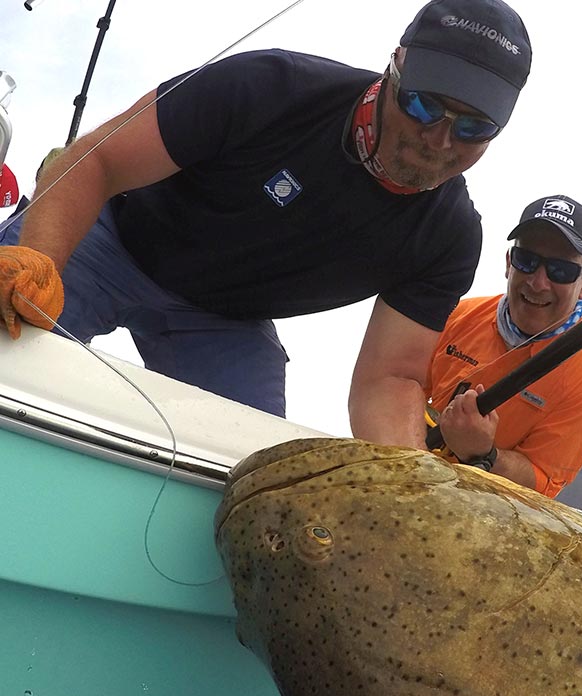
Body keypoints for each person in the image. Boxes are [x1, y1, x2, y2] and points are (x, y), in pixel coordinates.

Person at [0, 0, 531, 444]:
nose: (439, 140)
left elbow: (388, 380)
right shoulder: (273, 87)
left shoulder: (450, 238)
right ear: (394, 68)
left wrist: (409, 482)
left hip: (226, 322)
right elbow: (94, 161)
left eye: (473, 126)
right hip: (110, 242)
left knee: (245, 459)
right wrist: (40, 259)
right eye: (422, 106)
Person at [424, 194, 582, 498]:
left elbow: (543, 482)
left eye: (561, 271)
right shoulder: (460, 315)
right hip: (412, 475)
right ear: (509, 263)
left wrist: (482, 454)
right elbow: (405, 386)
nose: (538, 282)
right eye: (527, 261)